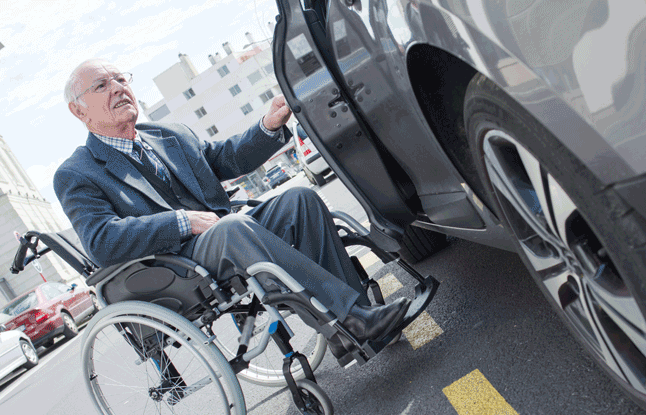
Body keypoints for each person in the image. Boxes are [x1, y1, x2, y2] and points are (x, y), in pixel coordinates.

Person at [54, 59, 410, 354]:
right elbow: (102, 240)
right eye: (101, 85)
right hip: (177, 262)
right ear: (78, 111)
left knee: (299, 198)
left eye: (120, 78)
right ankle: (353, 319)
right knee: (231, 227)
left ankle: (354, 328)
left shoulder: (169, 134)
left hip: (226, 230)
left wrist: (269, 125)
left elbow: (226, 158)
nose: (118, 87)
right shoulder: (77, 173)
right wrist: (181, 222)